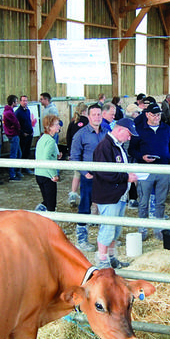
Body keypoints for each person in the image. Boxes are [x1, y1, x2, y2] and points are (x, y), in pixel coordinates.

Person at [91, 118, 139, 268]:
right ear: (120, 130)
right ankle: (102, 260)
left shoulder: (117, 145)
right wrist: (126, 177)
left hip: (118, 194)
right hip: (108, 196)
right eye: (129, 134)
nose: (129, 138)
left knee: (115, 229)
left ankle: (112, 258)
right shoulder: (105, 147)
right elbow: (104, 173)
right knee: (108, 228)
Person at [128, 102, 170, 241]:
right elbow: (132, 150)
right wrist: (141, 157)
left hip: (162, 169)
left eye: (159, 114)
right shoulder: (139, 129)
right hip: (145, 170)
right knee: (143, 201)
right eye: (154, 114)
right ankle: (142, 229)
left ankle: (158, 228)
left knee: (160, 202)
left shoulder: (165, 128)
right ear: (147, 114)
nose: (157, 117)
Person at [69, 104, 108, 251]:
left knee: (106, 205)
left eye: (99, 114)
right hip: (89, 175)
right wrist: (85, 173)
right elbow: (74, 157)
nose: (97, 117)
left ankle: (106, 239)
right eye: (94, 115)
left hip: (105, 175)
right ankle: (82, 239)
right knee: (85, 204)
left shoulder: (106, 132)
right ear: (89, 116)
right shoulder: (81, 134)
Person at [34, 115, 61, 212]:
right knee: (51, 204)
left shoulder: (42, 138)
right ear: (49, 127)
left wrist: (56, 155)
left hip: (39, 173)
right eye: (57, 125)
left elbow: (41, 154)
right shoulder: (50, 141)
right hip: (47, 175)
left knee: (46, 200)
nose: (59, 126)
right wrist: (54, 174)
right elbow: (46, 158)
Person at [66, 102, 89, 206]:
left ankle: (73, 195)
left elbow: (68, 138)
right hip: (86, 153)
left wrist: (70, 152)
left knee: (77, 174)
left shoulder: (72, 123)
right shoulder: (89, 122)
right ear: (85, 112)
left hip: (75, 153)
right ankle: (86, 197)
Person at [2, 95, 22, 181]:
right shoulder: (9, 112)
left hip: (13, 134)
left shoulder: (8, 111)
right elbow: (16, 123)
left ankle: (16, 171)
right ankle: (12, 174)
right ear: (13, 102)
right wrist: (17, 127)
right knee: (14, 155)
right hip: (13, 135)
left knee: (18, 153)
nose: (17, 103)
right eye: (16, 101)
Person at [16, 94, 35, 174]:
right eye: (23, 101)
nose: (25, 102)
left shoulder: (28, 110)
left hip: (29, 134)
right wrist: (22, 133)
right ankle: (19, 169)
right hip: (23, 135)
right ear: (20, 102)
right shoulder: (18, 112)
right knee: (22, 152)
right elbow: (17, 125)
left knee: (27, 152)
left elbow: (29, 122)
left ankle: (25, 168)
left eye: (26, 101)